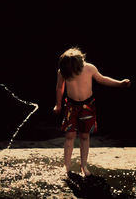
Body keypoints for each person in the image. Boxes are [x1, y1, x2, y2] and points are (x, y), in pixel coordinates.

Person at [53, 47, 131, 176]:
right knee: (70, 136)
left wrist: (120, 83)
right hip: (71, 106)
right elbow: (59, 88)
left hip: (87, 106)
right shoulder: (63, 71)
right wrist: (58, 104)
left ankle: (84, 166)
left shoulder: (89, 68)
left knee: (84, 136)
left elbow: (102, 79)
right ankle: (66, 166)